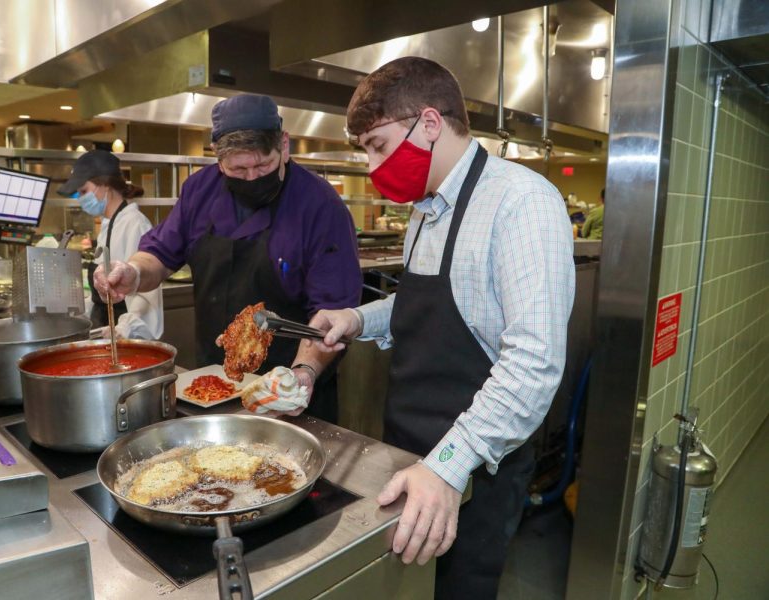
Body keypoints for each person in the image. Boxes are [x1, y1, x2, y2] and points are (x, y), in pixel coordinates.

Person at [307, 57, 575, 599]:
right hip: (410, 452)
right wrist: (357, 318)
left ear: (429, 124)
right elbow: (422, 302)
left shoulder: (521, 202)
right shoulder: (427, 208)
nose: (374, 165)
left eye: (378, 145)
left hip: (475, 466)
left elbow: (534, 364)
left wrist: (448, 465)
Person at [92, 94, 362, 423]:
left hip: (293, 389)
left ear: (284, 146)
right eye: (237, 169)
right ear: (219, 161)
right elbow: (159, 254)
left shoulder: (320, 206)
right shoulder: (199, 190)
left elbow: (331, 314)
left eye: (262, 165)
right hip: (214, 383)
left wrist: (301, 374)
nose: (251, 177)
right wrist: (132, 273)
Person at [58, 149, 163, 339]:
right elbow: (101, 294)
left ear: (104, 185)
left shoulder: (134, 224)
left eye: (83, 191)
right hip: (105, 330)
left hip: (125, 338)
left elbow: (146, 294)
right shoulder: (108, 225)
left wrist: (125, 328)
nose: (81, 199)